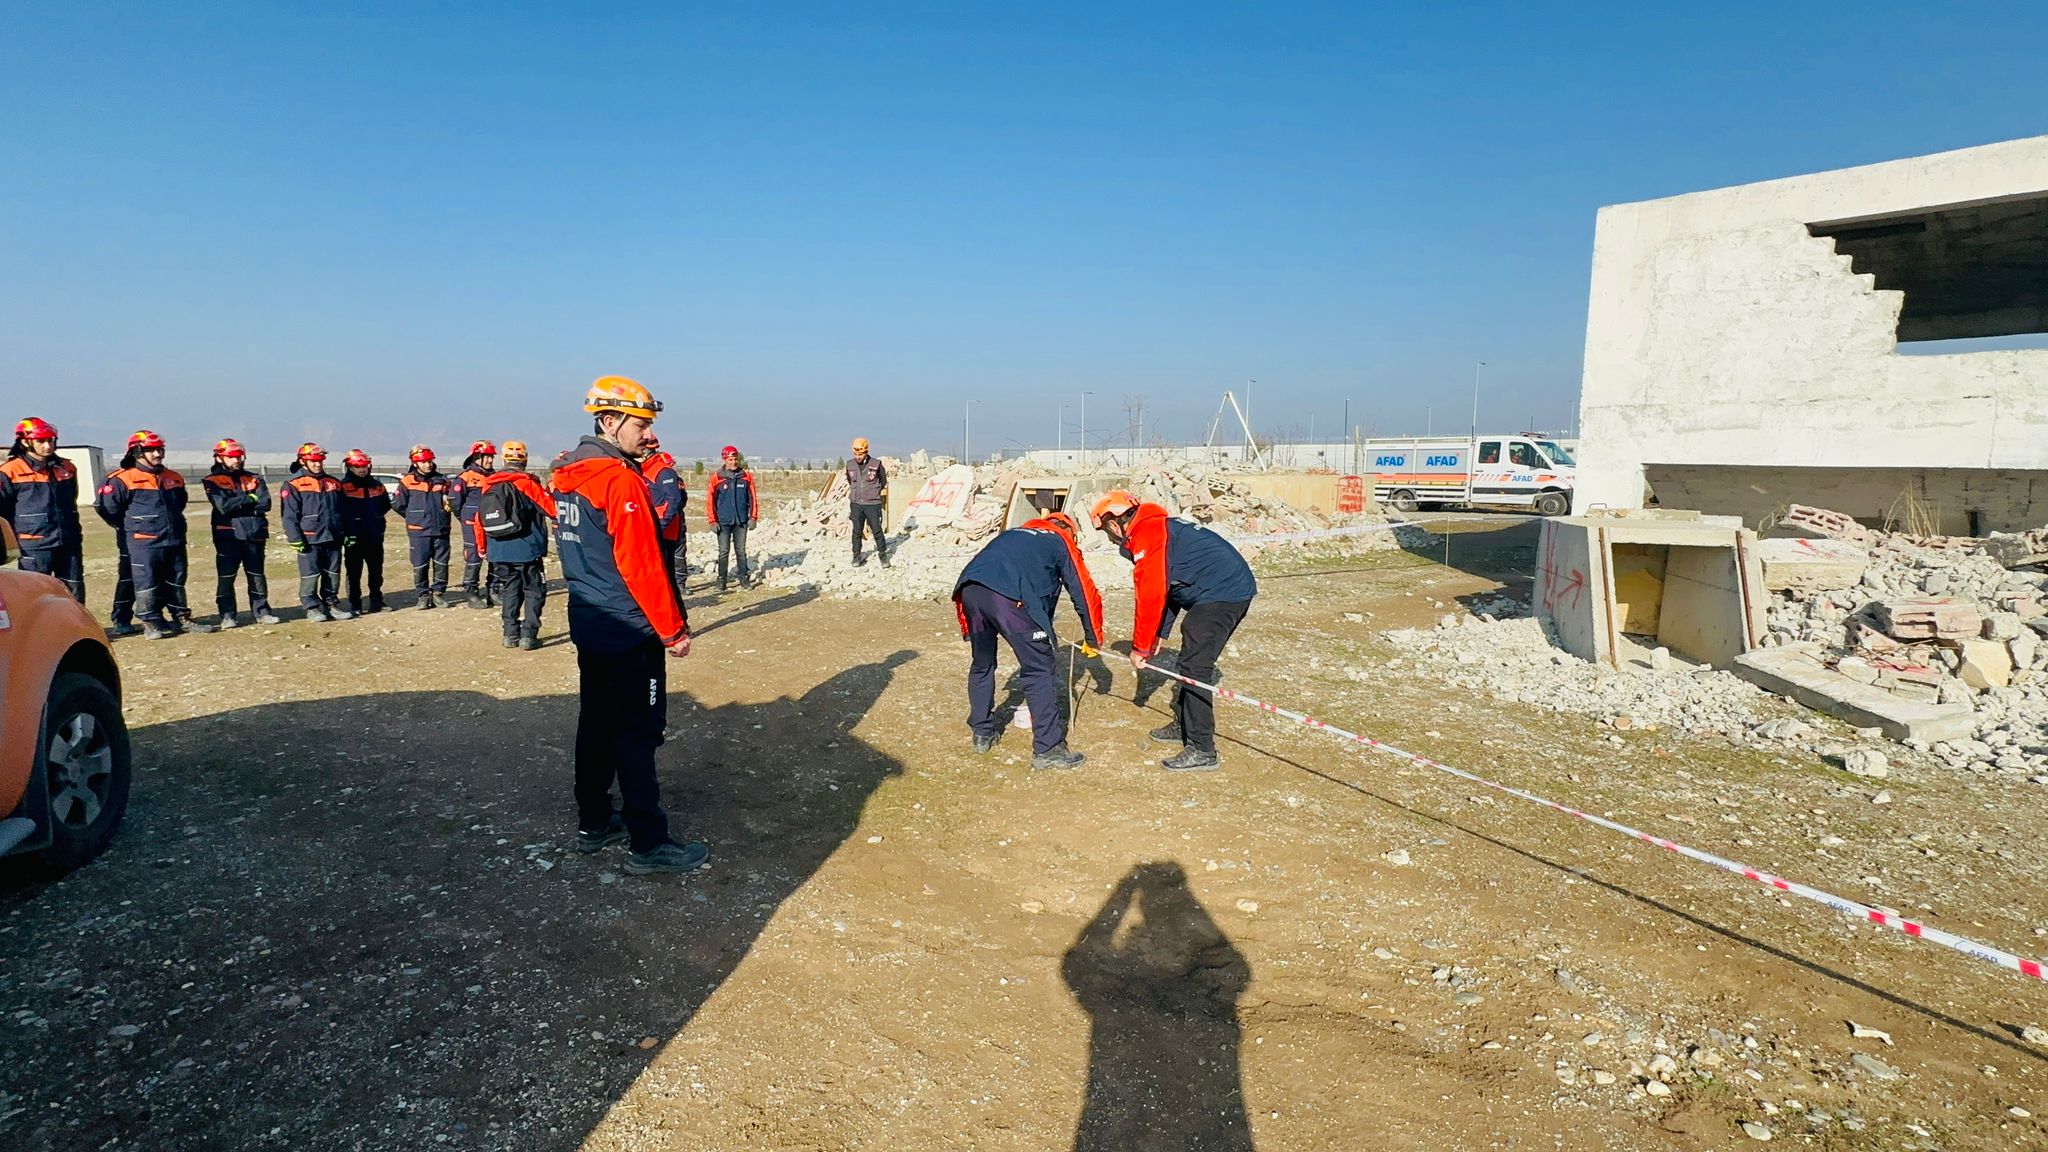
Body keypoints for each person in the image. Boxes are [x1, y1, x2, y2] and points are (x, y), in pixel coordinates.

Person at [552, 375, 706, 875]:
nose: (646, 435)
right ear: (609, 419)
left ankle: (594, 820)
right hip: (629, 625)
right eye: (640, 424)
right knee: (638, 730)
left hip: (590, 617)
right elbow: (640, 564)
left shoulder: (567, 473)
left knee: (595, 720)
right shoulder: (619, 480)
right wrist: (672, 630)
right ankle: (649, 842)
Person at [1090, 489, 1258, 772]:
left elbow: (1152, 593)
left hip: (1224, 592)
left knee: (1195, 666)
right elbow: (1171, 588)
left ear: (1114, 522)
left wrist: (1141, 646)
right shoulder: (1154, 526)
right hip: (1214, 589)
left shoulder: (1147, 533)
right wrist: (1158, 635)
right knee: (1189, 660)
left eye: (1108, 532)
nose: (1111, 539)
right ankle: (1184, 722)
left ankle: (1202, 749)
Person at [952, 510, 1104, 770]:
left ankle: (982, 732)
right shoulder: (1060, 540)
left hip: (970, 589)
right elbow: (1083, 590)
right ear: (1068, 531)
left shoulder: (1014, 533)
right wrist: (1092, 637)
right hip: (1008, 597)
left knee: (982, 662)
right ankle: (1049, 748)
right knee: (1039, 668)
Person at [95, 430, 213, 639]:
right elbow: (108, 510)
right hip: (142, 542)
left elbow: (180, 504)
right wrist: (135, 527)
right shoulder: (121, 479)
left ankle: (181, 617)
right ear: (137, 452)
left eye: (160, 449)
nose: (158, 454)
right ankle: (150, 622)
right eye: (152, 450)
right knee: (146, 580)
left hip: (173, 538)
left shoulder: (173, 477)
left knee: (176, 579)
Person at [479, 440, 556, 650]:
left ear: (503, 459)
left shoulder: (489, 483)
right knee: (534, 591)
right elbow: (551, 509)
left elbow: (480, 519)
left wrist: (482, 547)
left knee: (510, 590)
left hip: (498, 549)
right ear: (525, 460)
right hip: (527, 550)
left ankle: (510, 634)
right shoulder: (527, 483)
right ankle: (528, 636)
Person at [0, 417, 85, 603]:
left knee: (73, 590)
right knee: (35, 593)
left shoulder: (67, 468)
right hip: (34, 545)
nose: (48, 446)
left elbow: (72, 498)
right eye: (41, 441)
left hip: (68, 540)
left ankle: (75, 630)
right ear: (25, 441)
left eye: (51, 440)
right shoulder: (9, 471)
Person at [200, 437, 281, 627]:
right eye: (231, 457)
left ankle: (262, 611)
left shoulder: (255, 478)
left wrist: (240, 501)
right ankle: (227, 614)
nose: (236, 461)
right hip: (228, 535)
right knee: (227, 577)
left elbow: (265, 503)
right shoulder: (212, 481)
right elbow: (223, 506)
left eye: (238, 457)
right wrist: (249, 498)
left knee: (257, 576)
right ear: (220, 458)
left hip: (255, 534)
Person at [281, 442, 351, 621]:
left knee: (333, 574)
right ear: (303, 462)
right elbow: (289, 516)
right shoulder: (294, 484)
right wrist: (295, 538)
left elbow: (344, 511)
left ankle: (331, 604)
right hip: (310, 538)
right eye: (313, 461)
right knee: (310, 574)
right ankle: (311, 606)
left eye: (320, 461)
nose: (318, 464)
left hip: (333, 537)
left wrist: (348, 532)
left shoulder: (333, 483)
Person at [392, 445, 454, 608]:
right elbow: (399, 505)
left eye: (430, 461)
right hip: (419, 531)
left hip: (441, 529)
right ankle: (423, 594)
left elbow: (450, 501)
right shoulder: (407, 482)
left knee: (441, 563)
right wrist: (415, 517)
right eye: (424, 462)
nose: (428, 464)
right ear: (415, 463)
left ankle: (439, 593)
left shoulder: (442, 481)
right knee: (420, 563)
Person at [338, 449, 392, 614]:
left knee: (376, 572)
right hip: (353, 538)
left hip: (374, 536)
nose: (362, 470)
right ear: (350, 467)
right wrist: (346, 533)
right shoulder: (343, 487)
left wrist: (375, 521)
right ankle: (355, 604)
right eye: (357, 467)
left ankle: (376, 602)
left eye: (365, 466)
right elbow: (339, 512)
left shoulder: (377, 486)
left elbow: (385, 506)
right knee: (354, 573)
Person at [637, 432, 689, 603]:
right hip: (649, 528)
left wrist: (660, 525)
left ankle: (678, 620)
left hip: (663, 531)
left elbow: (674, 501)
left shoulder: (663, 471)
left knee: (667, 577)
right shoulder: (644, 471)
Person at [450, 439, 498, 608]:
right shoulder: (465, 478)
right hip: (471, 524)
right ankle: (471, 592)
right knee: (474, 558)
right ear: (476, 457)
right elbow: (455, 503)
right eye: (487, 457)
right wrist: (466, 519)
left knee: (494, 556)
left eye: (492, 457)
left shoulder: (494, 477)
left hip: (492, 524)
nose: (490, 460)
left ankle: (494, 590)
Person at [705, 444, 758, 592]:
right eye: (730, 459)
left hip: (741, 522)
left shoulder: (746, 477)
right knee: (723, 552)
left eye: (735, 459)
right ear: (724, 460)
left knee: (741, 551)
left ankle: (743, 578)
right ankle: (722, 580)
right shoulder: (717, 478)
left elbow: (753, 498)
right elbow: (710, 501)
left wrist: (753, 517)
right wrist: (712, 520)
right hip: (723, 522)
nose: (733, 462)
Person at [846, 436, 889, 567]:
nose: (857, 456)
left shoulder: (876, 464)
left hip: (872, 504)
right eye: (855, 454)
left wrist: (873, 492)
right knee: (857, 531)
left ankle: (883, 556)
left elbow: (883, 481)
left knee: (877, 530)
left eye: (860, 454)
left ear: (866, 451)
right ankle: (856, 557)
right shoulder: (849, 464)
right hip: (856, 504)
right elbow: (850, 480)